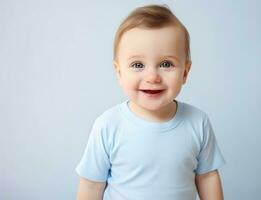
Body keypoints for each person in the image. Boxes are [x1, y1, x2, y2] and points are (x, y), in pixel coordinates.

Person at [76, 4, 226, 200]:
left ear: (185, 72)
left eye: (166, 64)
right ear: (119, 73)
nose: (153, 77)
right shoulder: (108, 126)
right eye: (138, 65)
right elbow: (91, 185)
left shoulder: (198, 123)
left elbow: (207, 177)